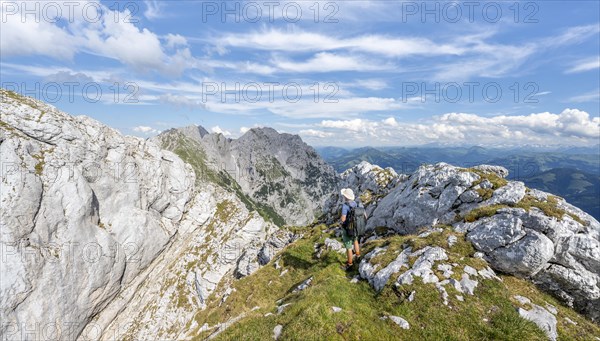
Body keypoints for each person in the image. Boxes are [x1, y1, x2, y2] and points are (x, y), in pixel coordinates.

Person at [340, 188, 365, 270]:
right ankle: (358, 256)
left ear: (345, 196)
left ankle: (349, 264)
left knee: (349, 247)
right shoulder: (356, 203)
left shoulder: (345, 206)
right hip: (356, 227)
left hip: (348, 228)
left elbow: (343, 219)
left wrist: (341, 222)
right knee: (355, 241)